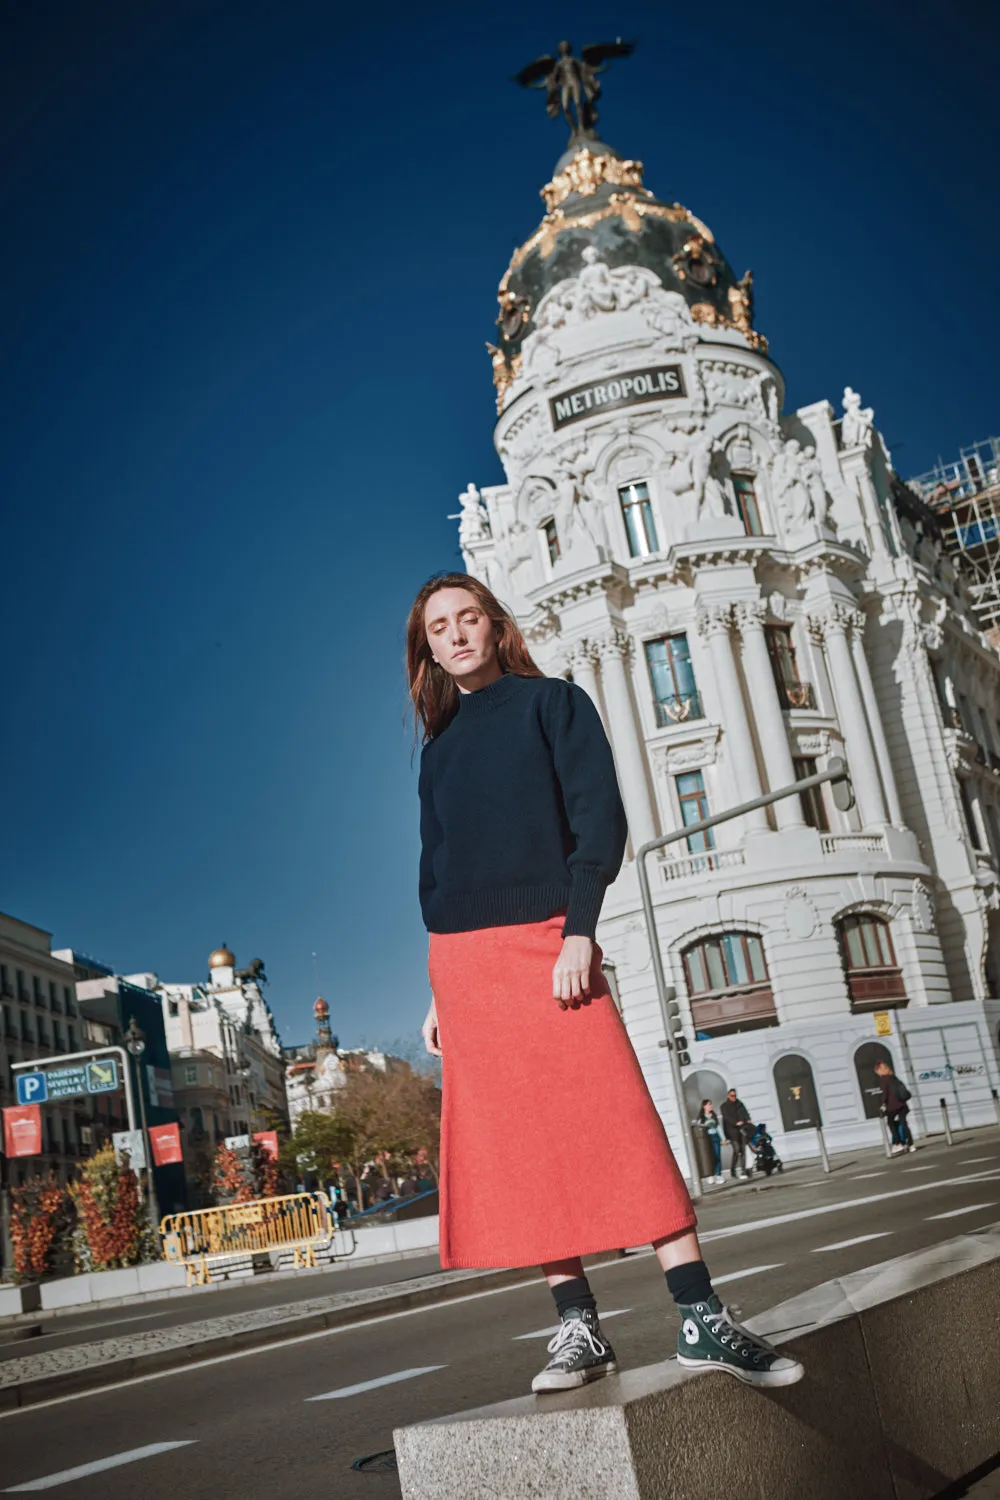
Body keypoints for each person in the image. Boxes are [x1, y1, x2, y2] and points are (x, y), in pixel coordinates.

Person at [408, 573, 803, 1394]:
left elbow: (601, 821)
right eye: (438, 627)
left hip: (552, 940)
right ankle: (577, 1328)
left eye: (467, 618)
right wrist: (439, 989)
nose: (455, 635)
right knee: (522, 1148)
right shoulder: (437, 751)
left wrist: (580, 928)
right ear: (428, 649)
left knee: (616, 1120)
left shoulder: (553, 704)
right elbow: (435, 875)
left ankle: (699, 1315)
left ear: (493, 624)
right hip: (466, 965)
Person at [876, 1060, 915, 1154]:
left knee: (890, 1123)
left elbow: (885, 1093)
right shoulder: (893, 1076)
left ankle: (898, 1143)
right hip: (902, 1104)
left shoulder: (884, 1079)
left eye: (877, 1071)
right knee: (903, 1123)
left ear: (879, 1070)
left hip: (892, 1106)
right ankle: (911, 1144)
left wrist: (883, 1104)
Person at [721, 1088, 753, 1178]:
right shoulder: (724, 1106)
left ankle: (743, 1170)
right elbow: (727, 1118)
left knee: (742, 1150)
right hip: (732, 1132)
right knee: (736, 1150)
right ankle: (733, 1169)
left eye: (735, 1095)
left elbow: (745, 1113)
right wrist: (735, 1123)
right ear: (728, 1096)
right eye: (732, 1096)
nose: (734, 1097)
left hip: (742, 1130)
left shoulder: (739, 1104)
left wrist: (748, 1120)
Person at [695, 1099, 725, 1185]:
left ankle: (718, 1175)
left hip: (715, 1137)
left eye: (711, 1104)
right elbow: (698, 1128)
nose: (710, 1106)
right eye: (708, 1105)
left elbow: (718, 1128)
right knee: (708, 1157)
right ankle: (710, 1175)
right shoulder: (701, 1117)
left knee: (717, 1156)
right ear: (704, 1106)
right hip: (706, 1139)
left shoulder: (714, 1116)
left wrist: (723, 1139)